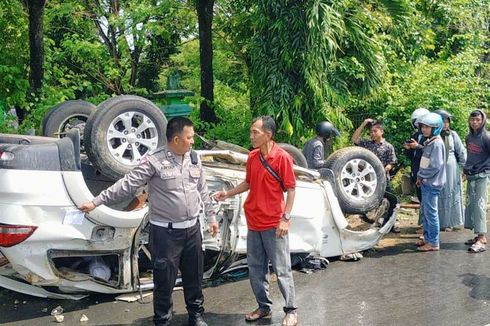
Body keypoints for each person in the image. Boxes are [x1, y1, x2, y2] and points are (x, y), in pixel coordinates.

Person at [79, 117, 219, 326]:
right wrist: (96, 201)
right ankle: (162, 320)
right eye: (189, 138)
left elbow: (203, 190)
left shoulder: (194, 158)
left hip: (192, 230)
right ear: (176, 139)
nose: (192, 142)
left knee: (194, 277)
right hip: (166, 234)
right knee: (164, 280)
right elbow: (126, 185)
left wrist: (211, 217)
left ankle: (196, 315)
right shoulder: (154, 161)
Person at [213, 116, 298, 326]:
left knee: (281, 268)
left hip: (273, 223)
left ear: (268, 135)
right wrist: (228, 193)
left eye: (255, 132)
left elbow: (291, 189)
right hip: (254, 222)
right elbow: (248, 182)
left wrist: (285, 218)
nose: (251, 136)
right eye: (251, 132)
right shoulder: (252, 157)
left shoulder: (282, 158)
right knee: (256, 269)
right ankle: (264, 307)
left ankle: (291, 310)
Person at [415, 112, 446, 252]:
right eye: (423, 127)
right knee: (427, 213)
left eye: (427, 127)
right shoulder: (430, 142)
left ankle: (433, 243)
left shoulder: (437, 144)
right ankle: (427, 238)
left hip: (432, 184)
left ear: (435, 128)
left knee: (431, 214)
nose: (424, 129)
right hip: (426, 182)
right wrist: (420, 177)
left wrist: (421, 175)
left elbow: (435, 165)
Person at [434, 109, 466, 231]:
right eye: (443, 121)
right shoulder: (433, 135)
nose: (446, 124)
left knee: (450, 193)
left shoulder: (453, 135)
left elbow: (461, 152)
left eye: (447, 121)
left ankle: (449, 222)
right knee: (438, 194)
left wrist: (465, 169)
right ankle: (436, 222)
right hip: (436, 169)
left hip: (451, 169)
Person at [463, 109, 490, 253]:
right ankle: (478, 235)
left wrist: (485, 169)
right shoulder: (469, 137)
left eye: (478, 120)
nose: (475, 122)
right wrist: (466, 170)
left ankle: (481, 238)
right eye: (472, 120)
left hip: (482, 176)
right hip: (471, 175)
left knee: (479, 206)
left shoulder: (486, 137)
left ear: (483, 121)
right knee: (471, 205)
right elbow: (470, 155)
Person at [351, 118, 397, 193]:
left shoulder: (388, 146)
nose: (373, 133)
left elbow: (391, 163)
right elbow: (354, 139)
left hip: (382, 179)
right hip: (367, 178)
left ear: (382, 132)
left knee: (386, 199)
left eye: (375, 131)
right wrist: (363, 123)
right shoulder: (367, 143)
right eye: (371, 132)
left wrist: (382, 171)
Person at [403, 108, 430, 228]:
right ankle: (423, 224)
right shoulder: (414, 135)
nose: (419, 126)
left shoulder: (430, 137)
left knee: (427, 199)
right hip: (415, 170)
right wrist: (408, 149)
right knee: (420, 197)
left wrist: (417, 146)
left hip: (425, 171)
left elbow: (429, 153)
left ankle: (427, 225)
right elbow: (411, 156)